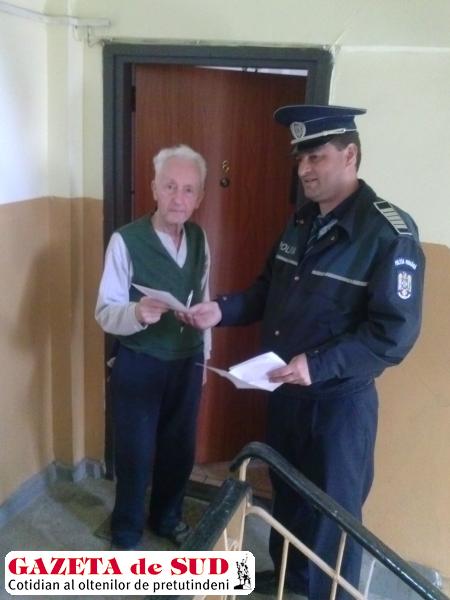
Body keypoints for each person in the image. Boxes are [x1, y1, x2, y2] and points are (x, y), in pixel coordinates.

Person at [179, 106, 425, 599]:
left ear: (350, 155)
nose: (304, 170)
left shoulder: (387, 233)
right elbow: (266, 290)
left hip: (339, 408)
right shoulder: (303, 221)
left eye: (316, 157)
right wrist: (221, 310)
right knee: (287, 501)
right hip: (287, 395)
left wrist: (318, 364)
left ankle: (329, 593)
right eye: (300, 159)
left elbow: (393, 335)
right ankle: (291, 582)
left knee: (334, 518)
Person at [95, 144, 210, 550]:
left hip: (187, 363)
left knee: (179, 451)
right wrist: (137, 313)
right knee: (135, 454)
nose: (178, 198)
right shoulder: (125, 240)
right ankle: (126, 532)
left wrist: (204, 357)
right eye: (170, 186)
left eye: (189, 189)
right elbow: (104, 312)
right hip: (139, 362)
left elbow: (203, 297)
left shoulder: (199, 239)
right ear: (154, 189)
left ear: (199, 197)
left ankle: (166, 518)